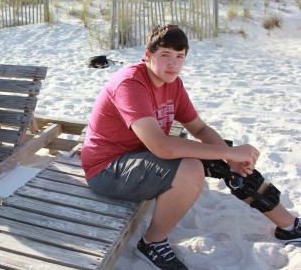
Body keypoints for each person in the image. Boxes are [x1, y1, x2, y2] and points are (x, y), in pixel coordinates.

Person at [81, 24, 300, 270]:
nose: (173, 64)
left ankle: (289, 226)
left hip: (141, 154)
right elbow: (163, 147)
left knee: (224, 162)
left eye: (179, 56)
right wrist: (228, 152)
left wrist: (232, 159)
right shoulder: (130, 84)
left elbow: (200, 129)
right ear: (148, 54)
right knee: (192, 169)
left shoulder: (173, 84)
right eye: (165, 55)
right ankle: (151, 243)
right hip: (107, 167)